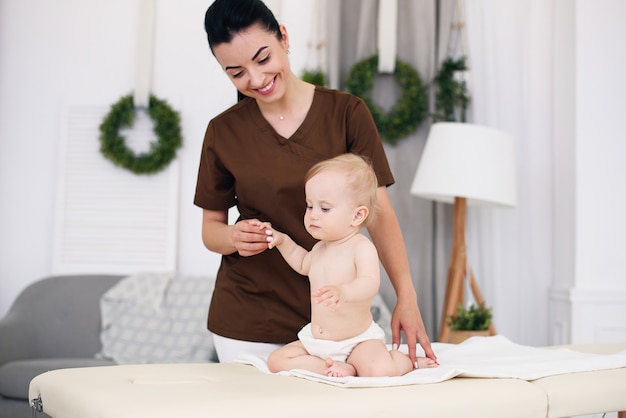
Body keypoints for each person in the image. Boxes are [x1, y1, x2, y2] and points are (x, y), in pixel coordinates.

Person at [195, 0, 436, 367]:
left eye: (263, 59)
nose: (256, 80)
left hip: (342, 326)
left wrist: (406, 296)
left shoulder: (346, 114)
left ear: (284, 38)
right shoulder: (223, 132)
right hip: (248, 323)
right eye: (236, 73)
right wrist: (234, 237)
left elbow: (380, 214)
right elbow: (211, 231)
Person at [261, 154, 438, 377]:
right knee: (276, 360)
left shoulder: (360, 247)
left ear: (357, 215)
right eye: (309, 206)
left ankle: (407, 362)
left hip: (357, 341)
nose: (313, 215)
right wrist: (283, 242)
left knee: (379, 370)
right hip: (318, 342)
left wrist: (343, 292)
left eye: (324, 209)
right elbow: (303, 263)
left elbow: (369, 283)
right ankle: (339, 369)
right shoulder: (319, 248)